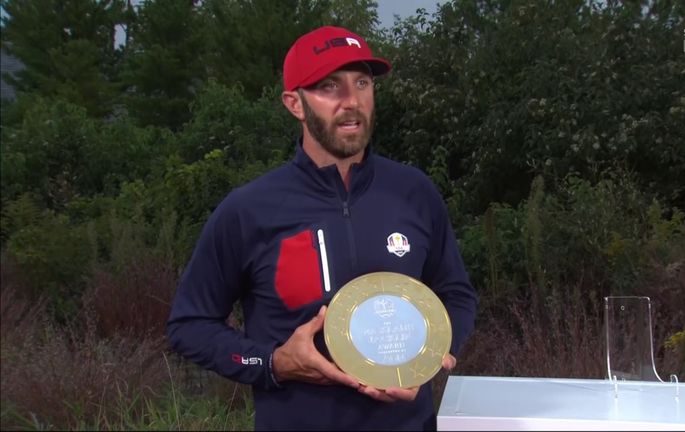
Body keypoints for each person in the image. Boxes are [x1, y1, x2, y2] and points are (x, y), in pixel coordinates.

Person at [166, 25, 477, 431]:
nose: (352, 101)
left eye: (362, 82)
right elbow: (189, 327)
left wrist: (435, 353)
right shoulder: (248, 210)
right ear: (294, 103)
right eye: (330, 87)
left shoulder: (414, 192)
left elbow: (456, 293)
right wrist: (273, 362)